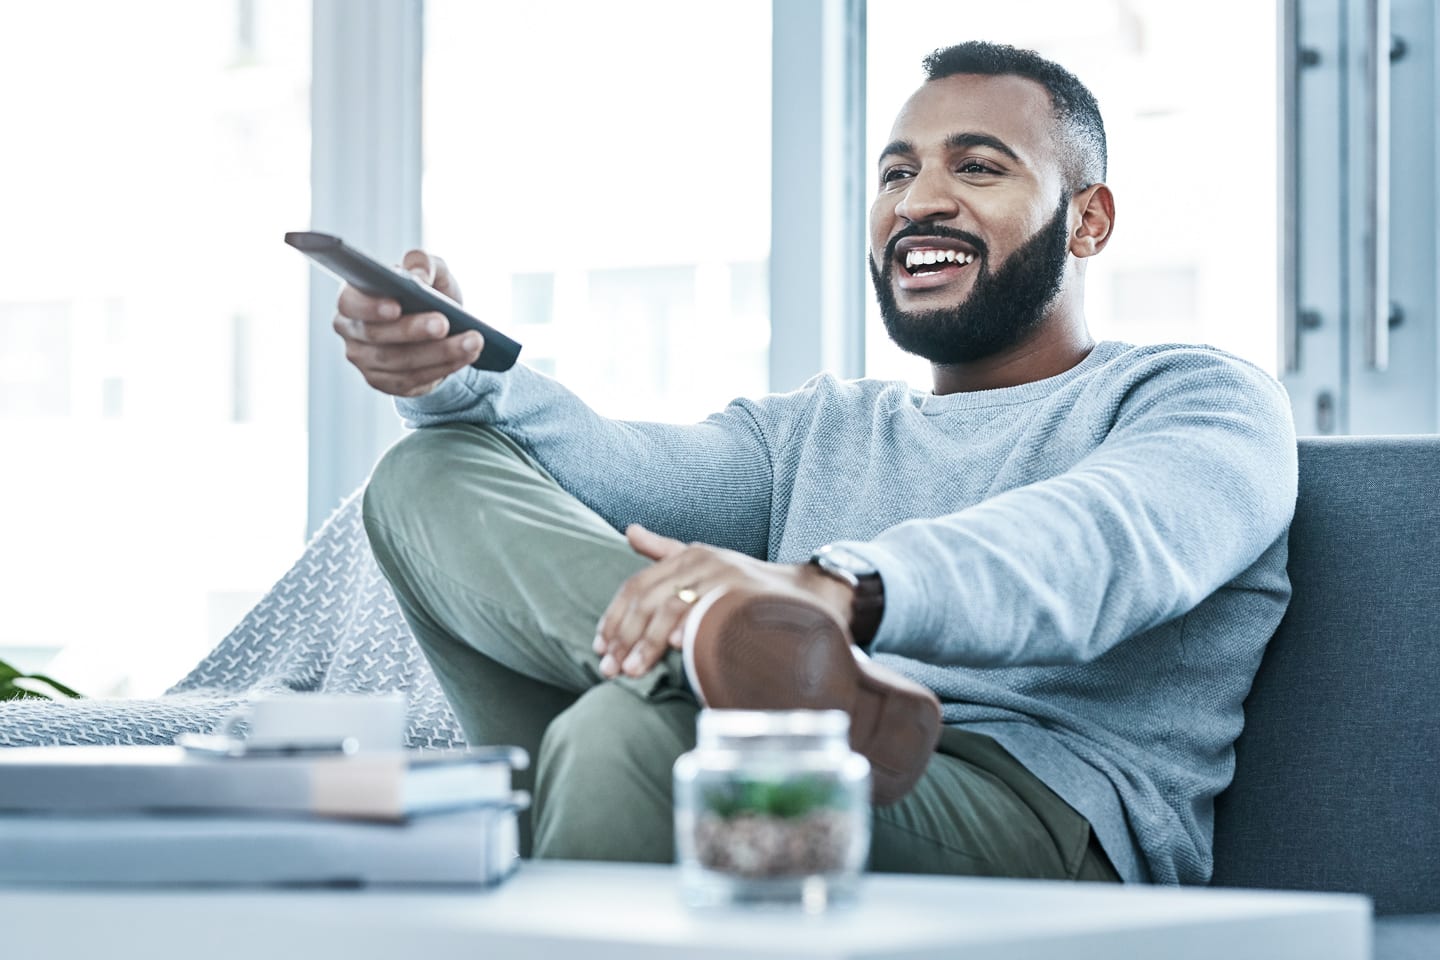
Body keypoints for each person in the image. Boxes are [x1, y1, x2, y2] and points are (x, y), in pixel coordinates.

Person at [337, 41, 1297, 886]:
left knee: (627, 737)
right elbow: (611, 465)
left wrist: (837, 591)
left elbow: (1092, 548)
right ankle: (734, 658)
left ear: (1087, 221)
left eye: (979, 168)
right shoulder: (823, 429)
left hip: (1038, 814)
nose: (920, 202)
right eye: (896, 174)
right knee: (426, 473)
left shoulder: (1201, 400)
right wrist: (463, 372)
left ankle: (755, 665)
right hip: (778, 753)